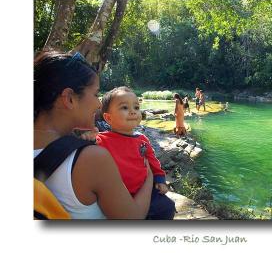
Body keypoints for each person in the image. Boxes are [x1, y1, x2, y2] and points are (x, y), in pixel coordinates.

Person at [34, 51, 153, 219]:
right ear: (69, 98)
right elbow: (133, 218)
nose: (98, 103)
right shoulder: (91, 159)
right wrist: (149, 177)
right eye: (96, 94)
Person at [96, 86, 175, 220]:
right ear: (108, 118)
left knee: (167, 207)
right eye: (124, 108)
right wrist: (86, 136)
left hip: (144, 189)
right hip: (120, 194)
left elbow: (153, 162)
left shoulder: (142, 140)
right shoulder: (101, 139)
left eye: (136, 107)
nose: (133, 112)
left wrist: (160, 179)